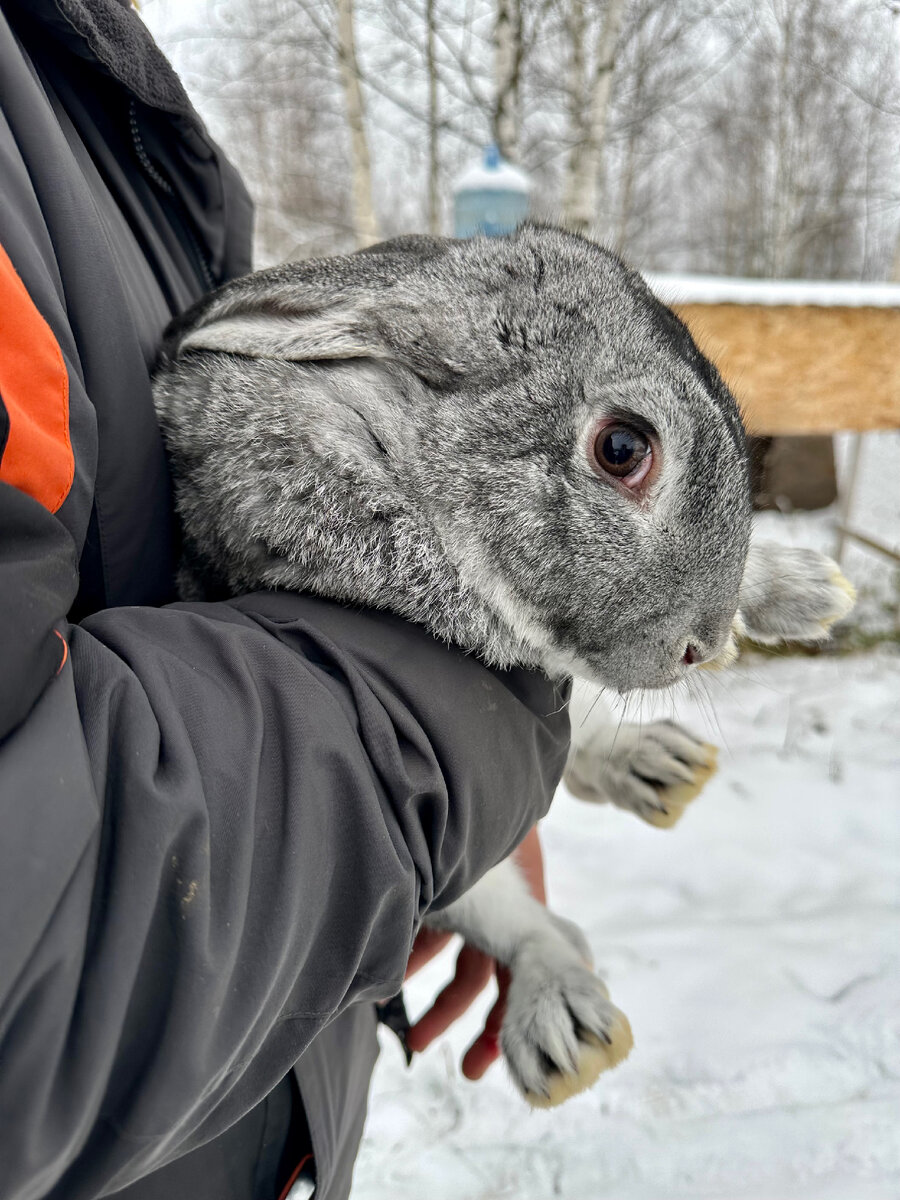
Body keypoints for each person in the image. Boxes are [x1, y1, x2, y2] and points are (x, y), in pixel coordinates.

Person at [0, 2, 570, 1198]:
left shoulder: (87, 84)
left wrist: (434, 819)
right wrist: (448, 734)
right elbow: (33, 961)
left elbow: (186, 573)